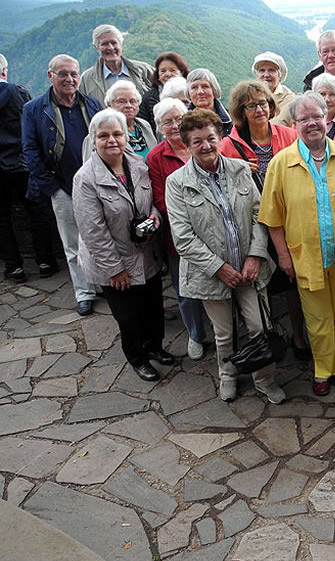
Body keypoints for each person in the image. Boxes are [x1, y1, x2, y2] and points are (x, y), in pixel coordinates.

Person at [165, 108, 286, 404]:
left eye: (210, 138)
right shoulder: (177, 182)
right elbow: (182, 237)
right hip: (210, 272)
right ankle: (228, 375)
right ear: (187, 145)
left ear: (220, 137)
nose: (205, 146)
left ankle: (265, 379)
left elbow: (260, 214)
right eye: (197, 141)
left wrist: (255, 255)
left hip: (249, 268)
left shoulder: (240, 169)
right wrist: (219, 268)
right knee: (223, 333)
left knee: (259, 326)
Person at [259, 92, 335, 396]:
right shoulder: (281, 164)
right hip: (305, 256)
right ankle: (324, 369)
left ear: (327, 118)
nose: (312, 123)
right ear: (295, 124)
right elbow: (272, 217)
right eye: (304, 118)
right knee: (318, 319)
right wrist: (283, 256)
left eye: (316, 116)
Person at [72, 109, 171, 381]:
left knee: (153, 306)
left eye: (117, 134)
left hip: (144, 252)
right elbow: (93, 231)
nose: (112, 140)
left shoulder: (138, 166)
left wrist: (154, 215)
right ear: (94, 140)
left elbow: (151, 199)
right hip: (112, 260)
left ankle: (155, 347)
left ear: (126, 136)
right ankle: (137, 357)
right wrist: (115, 269)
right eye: (104, 135)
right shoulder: (86, 179)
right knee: (128, 315)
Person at [220, 79, 309, 359]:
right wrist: (236, 168)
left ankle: (298, 336)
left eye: (263, 103)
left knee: (292, 281)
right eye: (251, 105)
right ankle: (269, 340)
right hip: (251, 225)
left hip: (288, 218)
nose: (259, 109)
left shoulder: (287, 134)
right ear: (240, 111)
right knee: (262, 286)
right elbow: (218, 181)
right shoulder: (229, 145)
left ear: (271, 106)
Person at [22, 54, 103, 315]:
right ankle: (84, 292)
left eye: (73, 74)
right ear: (50, 76)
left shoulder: (92, 105)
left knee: (100, 237)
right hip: (62, 186)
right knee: (72, 244)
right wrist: (52, 189)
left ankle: (103, 284)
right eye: (63, 74)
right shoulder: (34, 109)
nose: (69, 79)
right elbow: (30, 150)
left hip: (95, 185)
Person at [146, 98, 209, 361]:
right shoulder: (156, 157)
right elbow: (160, 200)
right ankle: (196, 334)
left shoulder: (202, 144)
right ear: (159, 127)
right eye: (167, 121)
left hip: (213, 229)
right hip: (179, 235)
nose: (175, 125)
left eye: (179, 119)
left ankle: (222, 331)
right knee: (185, 288)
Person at [0, 54, 58, 282]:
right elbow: (37, 125)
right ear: (5, 70)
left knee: (2, 219)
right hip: (24, 165)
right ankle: (45, 261)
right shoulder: (19, 93)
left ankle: (14, 267)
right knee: (37, 212)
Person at [78, 24, 154, 104]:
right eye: (104, 44)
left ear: (121, 44)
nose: (110, 47)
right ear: (96, 47)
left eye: (114, 43)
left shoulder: (143, 70)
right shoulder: (87, 79)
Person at [82, 80, 157, 161]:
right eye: (122, 101)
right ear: (109, 105)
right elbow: (90, 167)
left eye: (132, 101)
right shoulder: (98, 134)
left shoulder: (145, 126)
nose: (129, 105)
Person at [138, 52, 190, 126]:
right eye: (163, 71)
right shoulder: (148, 99)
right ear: (157, 74)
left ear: (182, 72)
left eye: (173, 70)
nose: (168, 74)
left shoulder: (192, 93)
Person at [252, 52, 296, 127]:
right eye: (262, 71)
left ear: (279, 75)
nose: (266, 75)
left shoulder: (291, 100)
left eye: (271, 70)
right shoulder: (250, 97)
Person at [187, 68, 232, 136]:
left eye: (205, 86)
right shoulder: (180, 122)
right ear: (188, 93)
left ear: (214, 90)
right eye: (194, 87)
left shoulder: (233, 120)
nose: (200, 92)